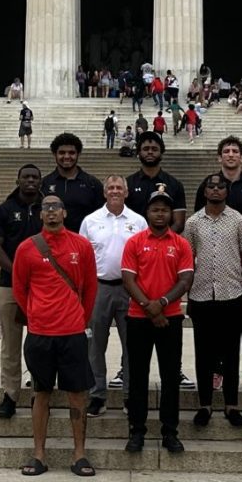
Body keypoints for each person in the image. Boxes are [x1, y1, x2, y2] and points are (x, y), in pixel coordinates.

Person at [11, 192, 99, 476]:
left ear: (64, 213)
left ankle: (79, 454)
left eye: (56, 207)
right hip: (41, 332)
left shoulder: (81, 245)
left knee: (77, 394)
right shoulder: (27, 248)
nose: (51, 212)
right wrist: (36, 315)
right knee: (41, 393)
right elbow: (20, 289)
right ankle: (38, 454)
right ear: (40, 215)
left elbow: (90, 289)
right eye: (46, 207)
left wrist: (79, 318)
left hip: (72, 331)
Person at [193, 136, 242, 390]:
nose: (230, 154)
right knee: (216, 321)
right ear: (219, 157)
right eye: (225, 151)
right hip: (214, 265)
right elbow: (198, 220)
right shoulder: (209, 184)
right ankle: (217, 370)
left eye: (235, 151)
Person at [120, 187, 194, 454]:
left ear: (170, 213)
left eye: (164, 209)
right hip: (139, 317)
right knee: (138, 376)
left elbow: (185, 279)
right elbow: (128, 279)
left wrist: (161, 304)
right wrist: (149, 307)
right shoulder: (135, 242)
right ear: (147, 212)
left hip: (170, 318)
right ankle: (136, 430)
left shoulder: (181, 244)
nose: (160, 214)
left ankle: (169, 431)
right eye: (155, 209)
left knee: (170, 376)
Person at [186, 172, 242, 429]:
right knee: (203, 352)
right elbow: (187, 261)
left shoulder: (239, 221)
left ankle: (231, 404)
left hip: (231, 293)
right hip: (202, 294)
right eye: (210, 186)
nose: (215, 190)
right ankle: (204, 404)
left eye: (220, 186)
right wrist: (189, 296)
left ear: (227, 191)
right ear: (205, 191)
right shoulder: (193, 223)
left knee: (230, 351)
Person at [80, 175, 146, 416]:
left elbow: (145, 257)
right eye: (111, 187)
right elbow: (84, 258)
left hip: (130, 289)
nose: (115, 191)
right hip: (99, 288)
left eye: (119, 187)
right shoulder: (90, 221)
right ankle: (97, 394)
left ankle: (130, 394)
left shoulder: (138, 221)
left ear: (127, 192)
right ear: (104, 192)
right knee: (95, 344)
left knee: (132, 344)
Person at [0, 163, 43, 418]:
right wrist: (18, 274)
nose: (30, 181)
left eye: (35, 177)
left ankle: (39, 394)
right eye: (26, 177)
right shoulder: (4, 210)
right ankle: (10, 393)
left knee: (40, 342)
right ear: (18, 180)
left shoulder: (50, 208)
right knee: (10, 343)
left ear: (41, 182)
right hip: (10, 285)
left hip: (43, 287)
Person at [40, 132, 104, 233]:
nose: (66, 156)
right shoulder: (44, 184)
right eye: (62, 152)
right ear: (54, 154)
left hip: (82, 244)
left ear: (78, 154)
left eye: (71, 153)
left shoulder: (93, 184)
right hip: (51, 244)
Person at [126, 131, 189, 234]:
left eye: (154, 149)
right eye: (146, 149)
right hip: (134, 243)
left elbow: (179, 223)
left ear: (161, 153)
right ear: (139, 152)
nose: (150, 152)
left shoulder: (175, 184)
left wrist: (159, 241)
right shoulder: (128, 184)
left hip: (164, 245)